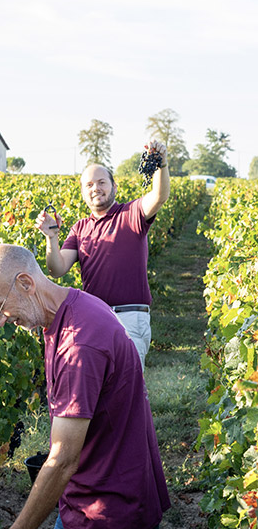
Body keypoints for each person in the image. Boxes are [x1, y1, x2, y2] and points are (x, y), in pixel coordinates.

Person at [0, 243, 170, 529]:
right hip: (81, 502)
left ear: (26, 283)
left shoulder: (79, 344)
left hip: (110, 518)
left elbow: (62, 460)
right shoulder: (72, 306)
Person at [35, 140, 170, 368]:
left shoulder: (131, 213)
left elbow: (159, 196)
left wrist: (161, 164)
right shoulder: (79, 228)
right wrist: (51, 237)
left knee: (127, 390)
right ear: (83, 192)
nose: (95, 188)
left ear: (114, 187)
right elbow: (57, 269)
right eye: (89, 185)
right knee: (98, 390)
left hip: (130, 317)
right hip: (94, 319)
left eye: (101, 182)